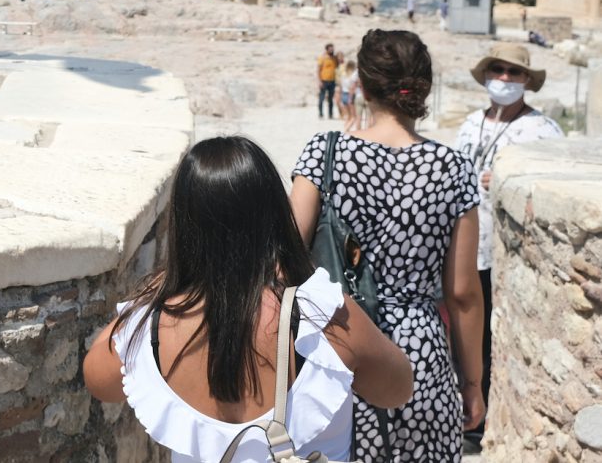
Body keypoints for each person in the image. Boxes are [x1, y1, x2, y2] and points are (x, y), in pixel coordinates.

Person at [83, 137, 412, 462]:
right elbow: (397, 390)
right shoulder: (321, 314)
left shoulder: (153, 325)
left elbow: (99, 381)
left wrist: (161, 287)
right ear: (276, 213)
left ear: (184, 225)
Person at [291, 29, 485, 460]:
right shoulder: (453, 170)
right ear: (424, 88)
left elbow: (282, 258)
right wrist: (472, 384)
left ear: (361, 84)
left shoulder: (323, 154)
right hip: (420, 354)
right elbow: (463, 294)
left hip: (340, 346)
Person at [455, 43, 562, 453]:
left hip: (508, 252)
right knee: (464, 335)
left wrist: (503, 178)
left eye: (513, 72)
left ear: (526, 81)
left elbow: (548, 183)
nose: (503, 78)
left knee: (495, 336)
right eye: (496, 69)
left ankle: (486, 420)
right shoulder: (468, 124)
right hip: (466, 246)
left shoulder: (542, 130)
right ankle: (467, 415)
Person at [316, 43, 337, 119]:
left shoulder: (334, 58)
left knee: (331, 98)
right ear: (327, 49)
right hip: (324, 80)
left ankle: (330, 114)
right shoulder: (322, 58)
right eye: (330, 49)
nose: (332, 50)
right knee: (322, 97)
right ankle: (321, 114)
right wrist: (319, 81)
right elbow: (318, 70)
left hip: (332, 81)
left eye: (332, 49)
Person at [340, 60, 360, 133]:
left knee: (348, 116)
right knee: (353, 117)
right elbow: (352, 87)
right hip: (349, 95)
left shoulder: (343, 75)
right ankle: (346, 130)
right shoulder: (353, 75)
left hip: (343, 94)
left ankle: (345, 128)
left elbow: (341, 86)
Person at [332, 51, 348, 127]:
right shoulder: (336, 66)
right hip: (337, 84)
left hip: (343, 84)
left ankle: (345, 114)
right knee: (337, 101)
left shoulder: (344, 65)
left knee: (341, 100)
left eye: (341, 57)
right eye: (338, 57)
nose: (340, 58)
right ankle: (341, 114)